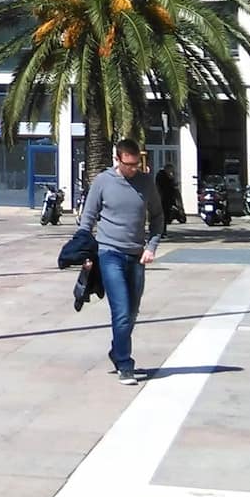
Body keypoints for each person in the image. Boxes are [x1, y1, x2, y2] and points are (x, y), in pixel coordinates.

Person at [79, 139, 164, 386]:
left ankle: (117, 350)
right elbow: (88, 218)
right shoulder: (103, 182)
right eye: (128, 165)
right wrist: (86, 252)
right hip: (109, 253)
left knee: (133, 311)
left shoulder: (146, 183)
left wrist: (151, 247)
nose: (133, 169)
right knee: (122, 310)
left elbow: (158, 217)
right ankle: (125, 364)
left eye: (136, 164)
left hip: (136, 255)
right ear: (117, 160)